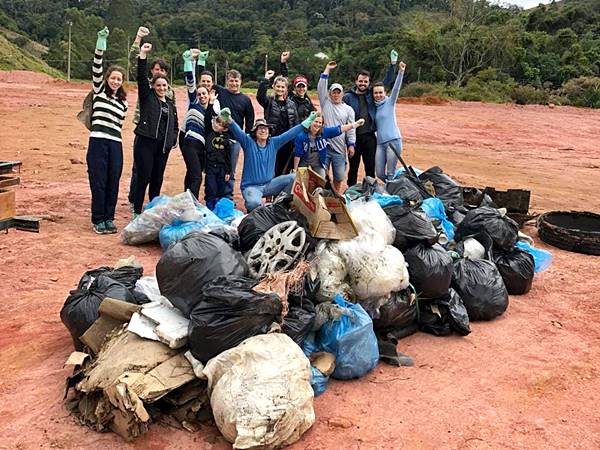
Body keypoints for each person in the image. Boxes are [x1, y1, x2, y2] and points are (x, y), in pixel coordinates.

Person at [224, 112, 318, 211]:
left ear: (269, 132)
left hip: (269, 185)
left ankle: (280, 204)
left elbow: (290, 134)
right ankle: (256, 212)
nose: (263, 130)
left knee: (293, 177)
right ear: (255, 132)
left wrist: (306, 123)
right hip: (251, 187)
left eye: (265, 128)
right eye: (260, 128)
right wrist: (229, 119)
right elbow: (238, 131)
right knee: (254, 203)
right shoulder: (248, 142)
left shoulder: (274, 143)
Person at [127, 26, 176, 207]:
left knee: (156, 177)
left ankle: (149, 208)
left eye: (161, 70)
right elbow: (136, 67)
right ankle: (135, 203)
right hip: (145, 135)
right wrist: (140, 45)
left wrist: (172, 138)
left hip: (162, 143)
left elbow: (174, 117)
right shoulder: (146, 91)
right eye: (155, 69)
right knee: (140, 173)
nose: (158, 72)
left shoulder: (170, 95)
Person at [86, 27, 128, 234]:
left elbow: (119, 125)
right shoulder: (99, 92)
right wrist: (100, 43)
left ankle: (109, 218)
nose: (115, 81)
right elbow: (96, 66)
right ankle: (98, 219)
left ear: (122, 82)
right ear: (107, 79)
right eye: (113, 78)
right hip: (98, 141)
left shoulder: (123, 103)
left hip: (115, 144)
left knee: (113, 181)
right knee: (99, 180)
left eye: (119, 79)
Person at [343, 50, 397, 187]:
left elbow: (386, 82)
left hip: (369, 137)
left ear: (368, 83)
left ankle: (371, 191)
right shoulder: (348, 97)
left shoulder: (371, 94)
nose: (363, 83)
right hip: (353, 137)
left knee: (370, 167)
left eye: (365, 81)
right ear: (356, 81)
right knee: (353, 167)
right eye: (360, 81)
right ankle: (351, 191)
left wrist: (392, 65)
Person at [317, 61, 356, 194]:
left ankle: (336, 196)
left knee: (339, 176)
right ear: (330, 93)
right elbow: (321, 87)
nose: (336, 94)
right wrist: (327, 69)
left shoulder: (349, 110)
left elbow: (351, 129)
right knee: (321, 176)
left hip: (340, 148)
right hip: (324, 146)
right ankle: (321, 197)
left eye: (338, 92)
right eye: (333, 92)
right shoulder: (325, 103)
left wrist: (351, 144)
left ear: (342, 94)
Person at [179, 48, 213, 199]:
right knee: (197, 176)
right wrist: (188, 62)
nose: (201, 96)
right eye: (199, 94)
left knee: (191, 173)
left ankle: (186, 200)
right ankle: (192, 203)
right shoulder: (194, 103)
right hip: (190, 143)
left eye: (204, 93)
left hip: (202, 147)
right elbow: (192, 82)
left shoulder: (211, 110)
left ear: (209, 94)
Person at [213, 69, 254, 191]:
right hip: (218, 137)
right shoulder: (221, 92)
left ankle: (228, 195)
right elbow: (206, 82)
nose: (234, 83)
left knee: (230, 170)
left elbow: (250, 120)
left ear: (240, 82)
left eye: (236, 81)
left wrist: (246, 137)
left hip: (235, 140)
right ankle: (214, 193)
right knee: (215, 166)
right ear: (227, 81)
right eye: (231, 81)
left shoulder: (245, 99)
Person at [293, 114, 365, 177]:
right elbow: (297, 155)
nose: (318, 124)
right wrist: (295, 170)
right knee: (300, 181)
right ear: (310, 122)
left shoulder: (324, 132)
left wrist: (354, 125)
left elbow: (340, 129)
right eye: (315, 121)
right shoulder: (301, 136)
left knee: (321, 181)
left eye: (320, 123)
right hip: (304, 162)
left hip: (318, 163)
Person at [257, 68, 299, 176]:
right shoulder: (269, 102)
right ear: (274, 87)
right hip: (272, 141)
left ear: (286, 89)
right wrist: (266, 79)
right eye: (278, 86)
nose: (280, 89)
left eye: (282, 87)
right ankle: (271, 191)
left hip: (287, 143)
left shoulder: (291, 104)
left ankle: (281, 192)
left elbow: (296, 123)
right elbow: (260, 96)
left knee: (284, 170)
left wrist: (295, 141)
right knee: (271, 169)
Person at [373, 61, 407, 181]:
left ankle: (391, 192)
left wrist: (400, 72)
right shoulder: (373, 107)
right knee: (379, 173)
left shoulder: (390, 102)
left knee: (390, 173)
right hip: (380, 144)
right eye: (375, 93)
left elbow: (396, 88)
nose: (378, 95)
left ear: (385, 93)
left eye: (380, 92)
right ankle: (395, 185)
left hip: (393, 141)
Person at [203, 93, 233, 210]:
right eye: (217, 122)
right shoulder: (209, 132)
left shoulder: (226, 138)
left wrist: (228, 171)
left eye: (221, 124)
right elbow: (207, 118)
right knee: (210, 188)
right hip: (210, 166)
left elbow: (228, 156)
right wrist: (211, 103)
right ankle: (210, 208)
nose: (217, 125)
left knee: (221, 189)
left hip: (221, 167)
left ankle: (218, 209)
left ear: (225, 128)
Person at [279, 51, 316, 121]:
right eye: (299, 86)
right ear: (295, 88)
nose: (301, 89)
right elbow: (285, 78)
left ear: (306, 87)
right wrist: (283, 62)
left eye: (303, 86)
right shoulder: (290, 98)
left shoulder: (308, 102)